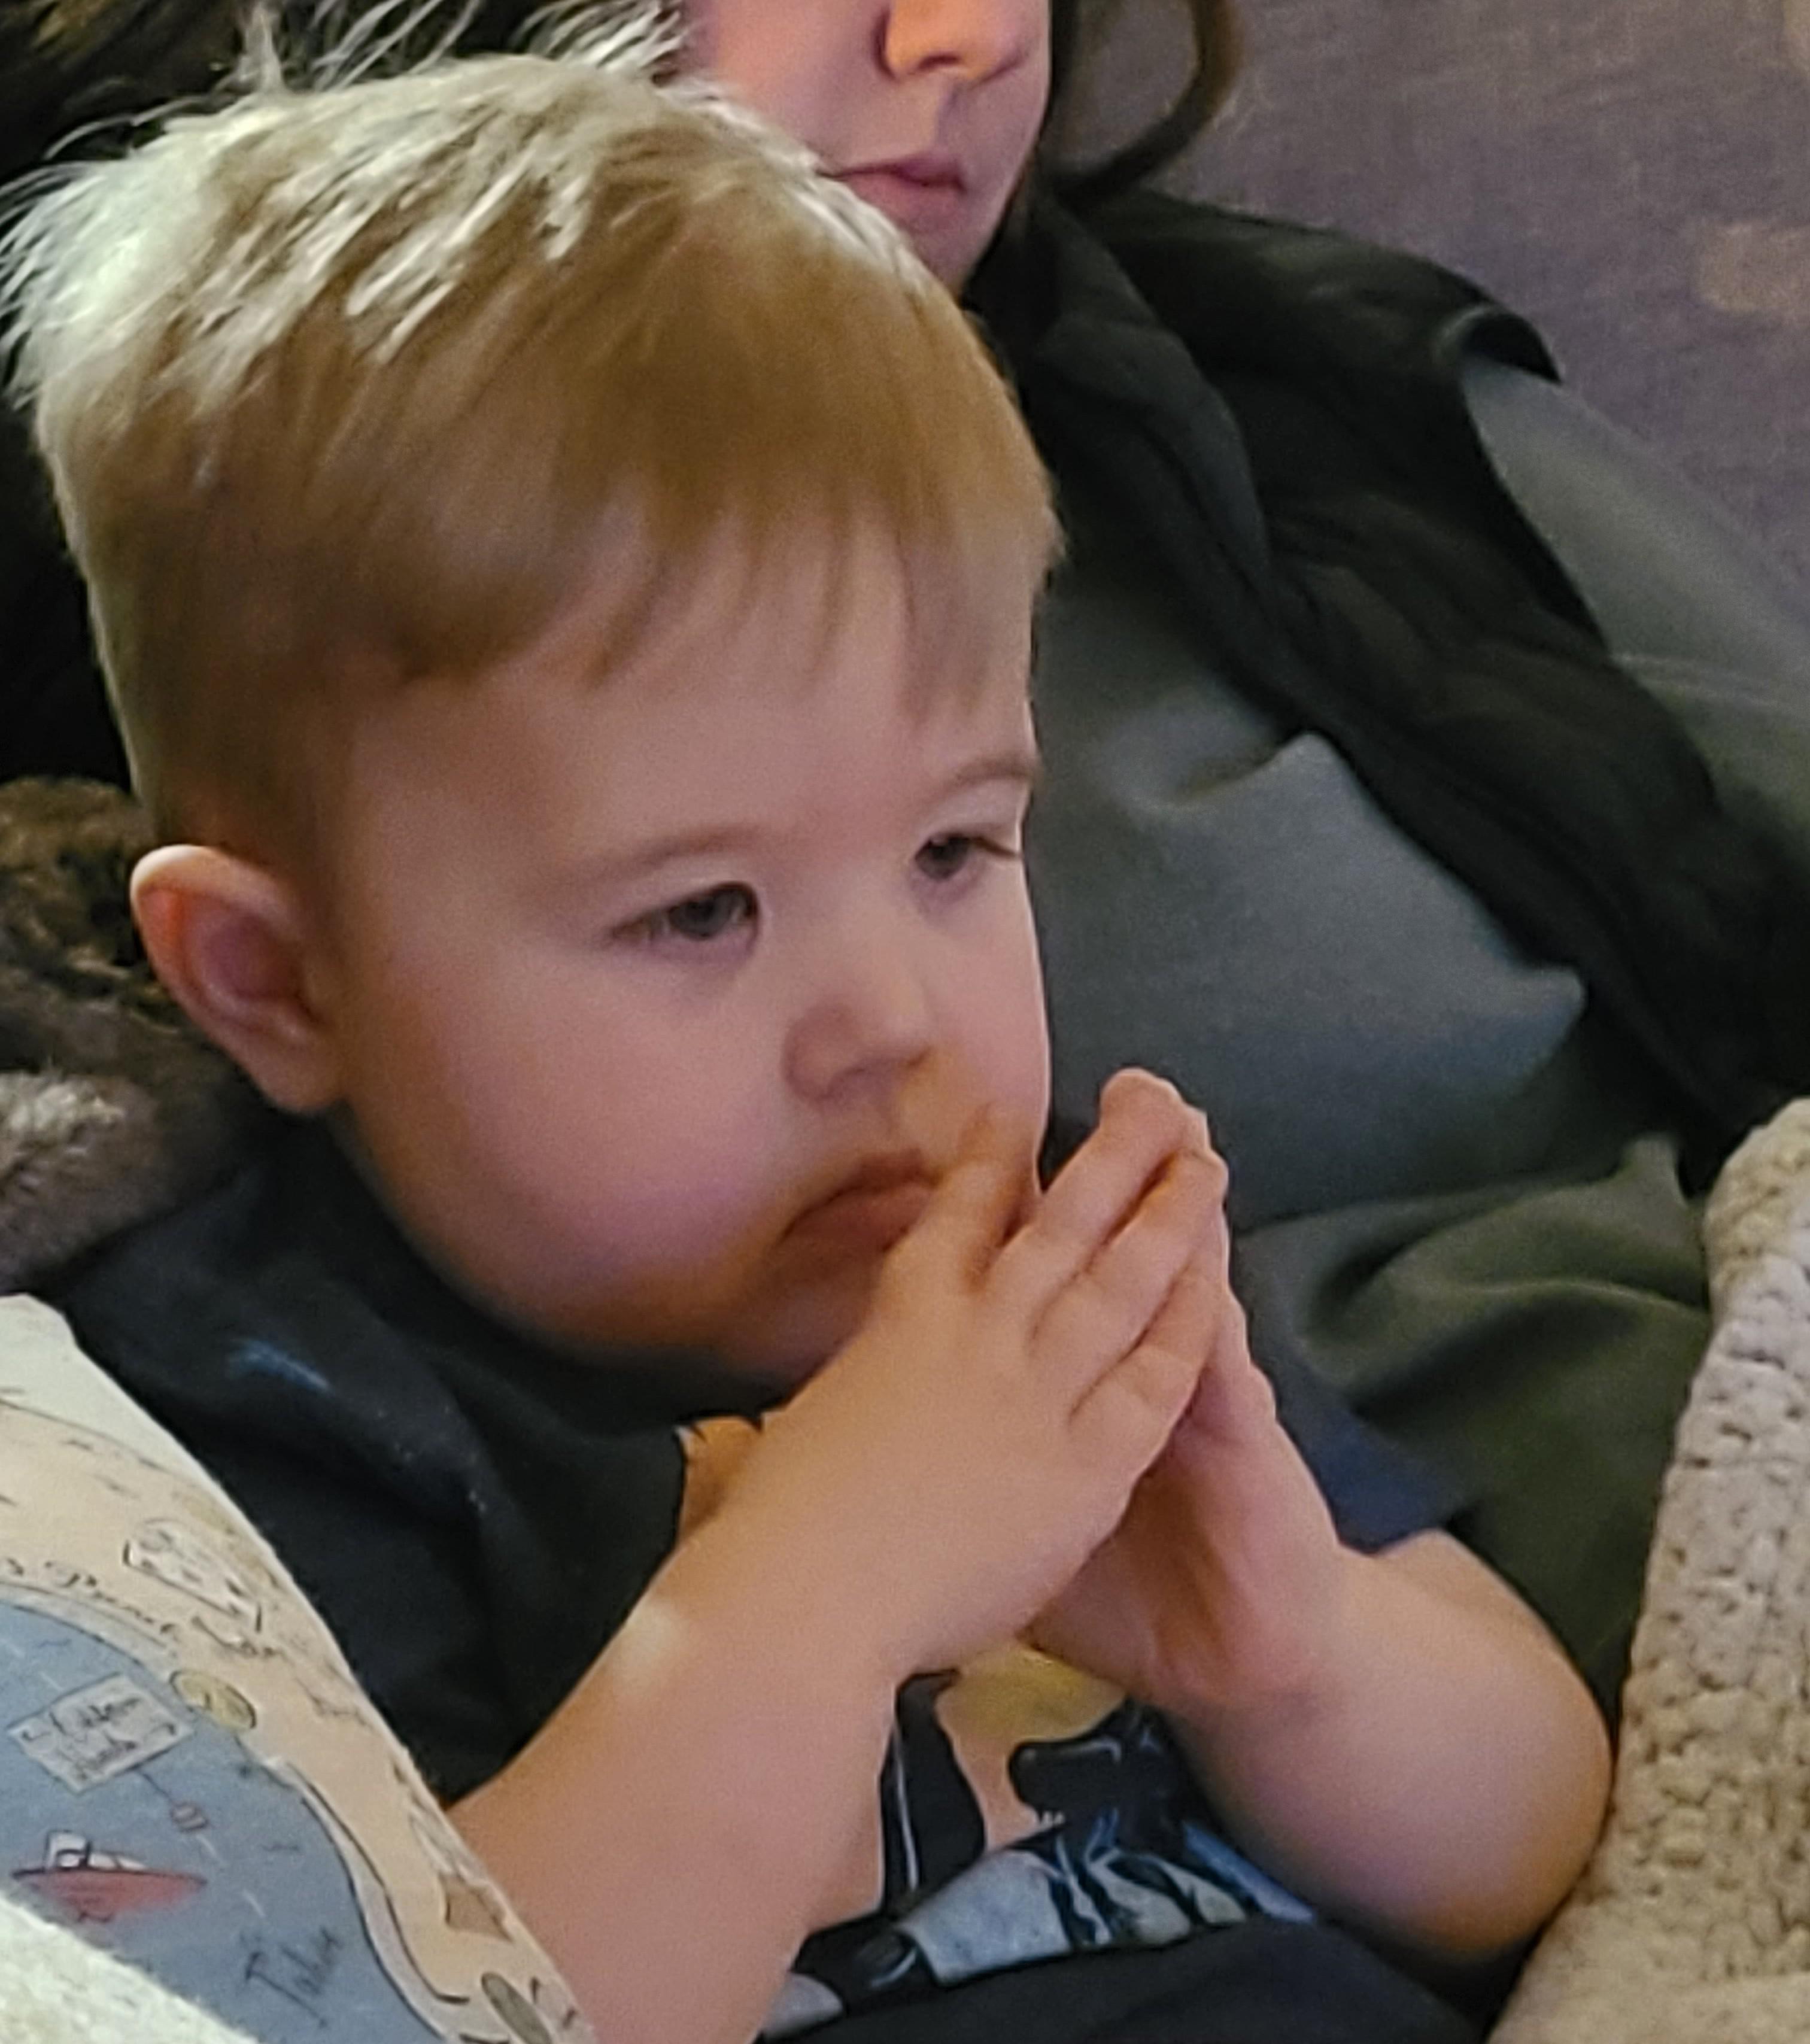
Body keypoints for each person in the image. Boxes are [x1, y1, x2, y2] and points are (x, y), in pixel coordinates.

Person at [4, 23, 1610, 2044]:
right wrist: (825, 1589)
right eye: (702, 909)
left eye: (955, 849)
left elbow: (1529, 1839)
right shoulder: (254, 1427)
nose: (891, 1023)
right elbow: (405, 2013)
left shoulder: (1030, 1271)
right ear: (278, 983)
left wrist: (1291, 1654)